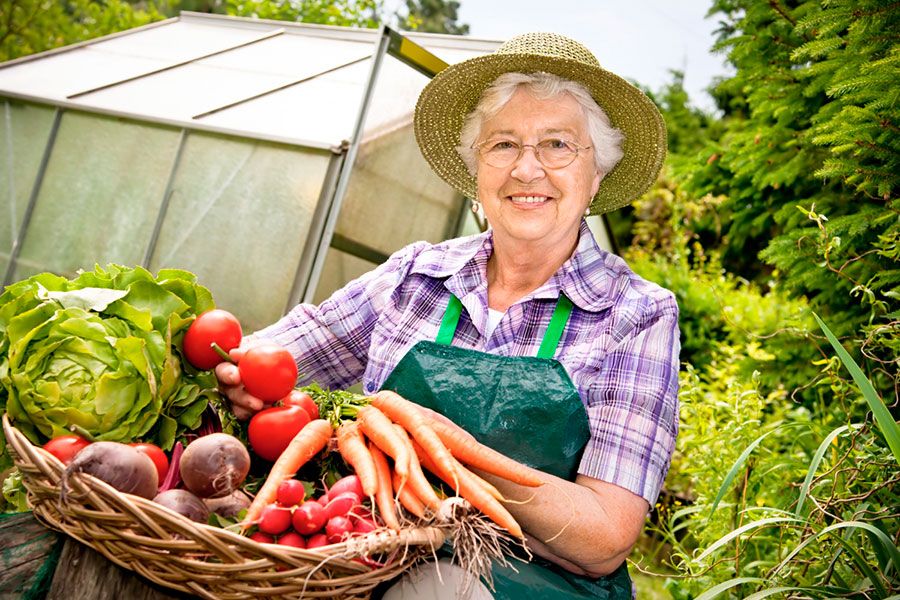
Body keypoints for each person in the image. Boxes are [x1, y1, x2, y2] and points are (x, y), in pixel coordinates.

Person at [217, 32, 680, 600]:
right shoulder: (415, 275)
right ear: (477, 175)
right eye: (503, 145)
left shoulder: (635, 313)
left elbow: (605, 536)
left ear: (597, 176)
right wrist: (237, 375)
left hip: (533, 584)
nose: (527, 169)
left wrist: (445, 449)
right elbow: (279, 354)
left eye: (558, 145)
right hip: (366, 550)